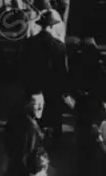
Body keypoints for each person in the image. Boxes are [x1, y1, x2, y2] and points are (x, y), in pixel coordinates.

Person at [19, 11, 69, 139]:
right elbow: (62, 71)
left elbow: (23, 67)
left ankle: (33, 139)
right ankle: (54, 139)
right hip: (53, 87)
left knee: (34, 114)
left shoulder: (29, 43)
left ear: (40, 26)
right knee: (53, 115)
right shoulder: (59, 46)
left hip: (33, 86)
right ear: (52, 26)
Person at [2, 91, 45, 176]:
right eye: (36, 104)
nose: (40, 107)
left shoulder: (28, 121)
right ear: (27, 104)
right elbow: (24, 153)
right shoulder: (26, 125)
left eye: (42, 103)